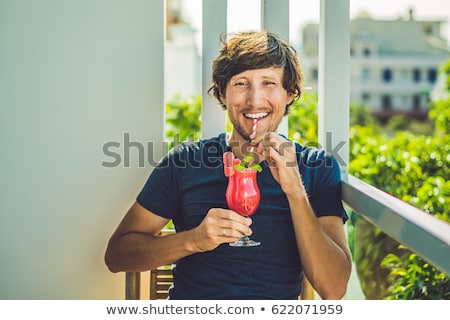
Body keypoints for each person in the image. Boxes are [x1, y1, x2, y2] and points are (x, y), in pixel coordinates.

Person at [105, 30, 352, 300]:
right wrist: (192, 240)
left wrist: (295, 189)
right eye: (241, 84)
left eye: (268, 83)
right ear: (222, 95)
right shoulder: (184, 162)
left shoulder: (316, 168)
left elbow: (334, 288)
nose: (254, 100)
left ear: (289, 94)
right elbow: (117, 256)